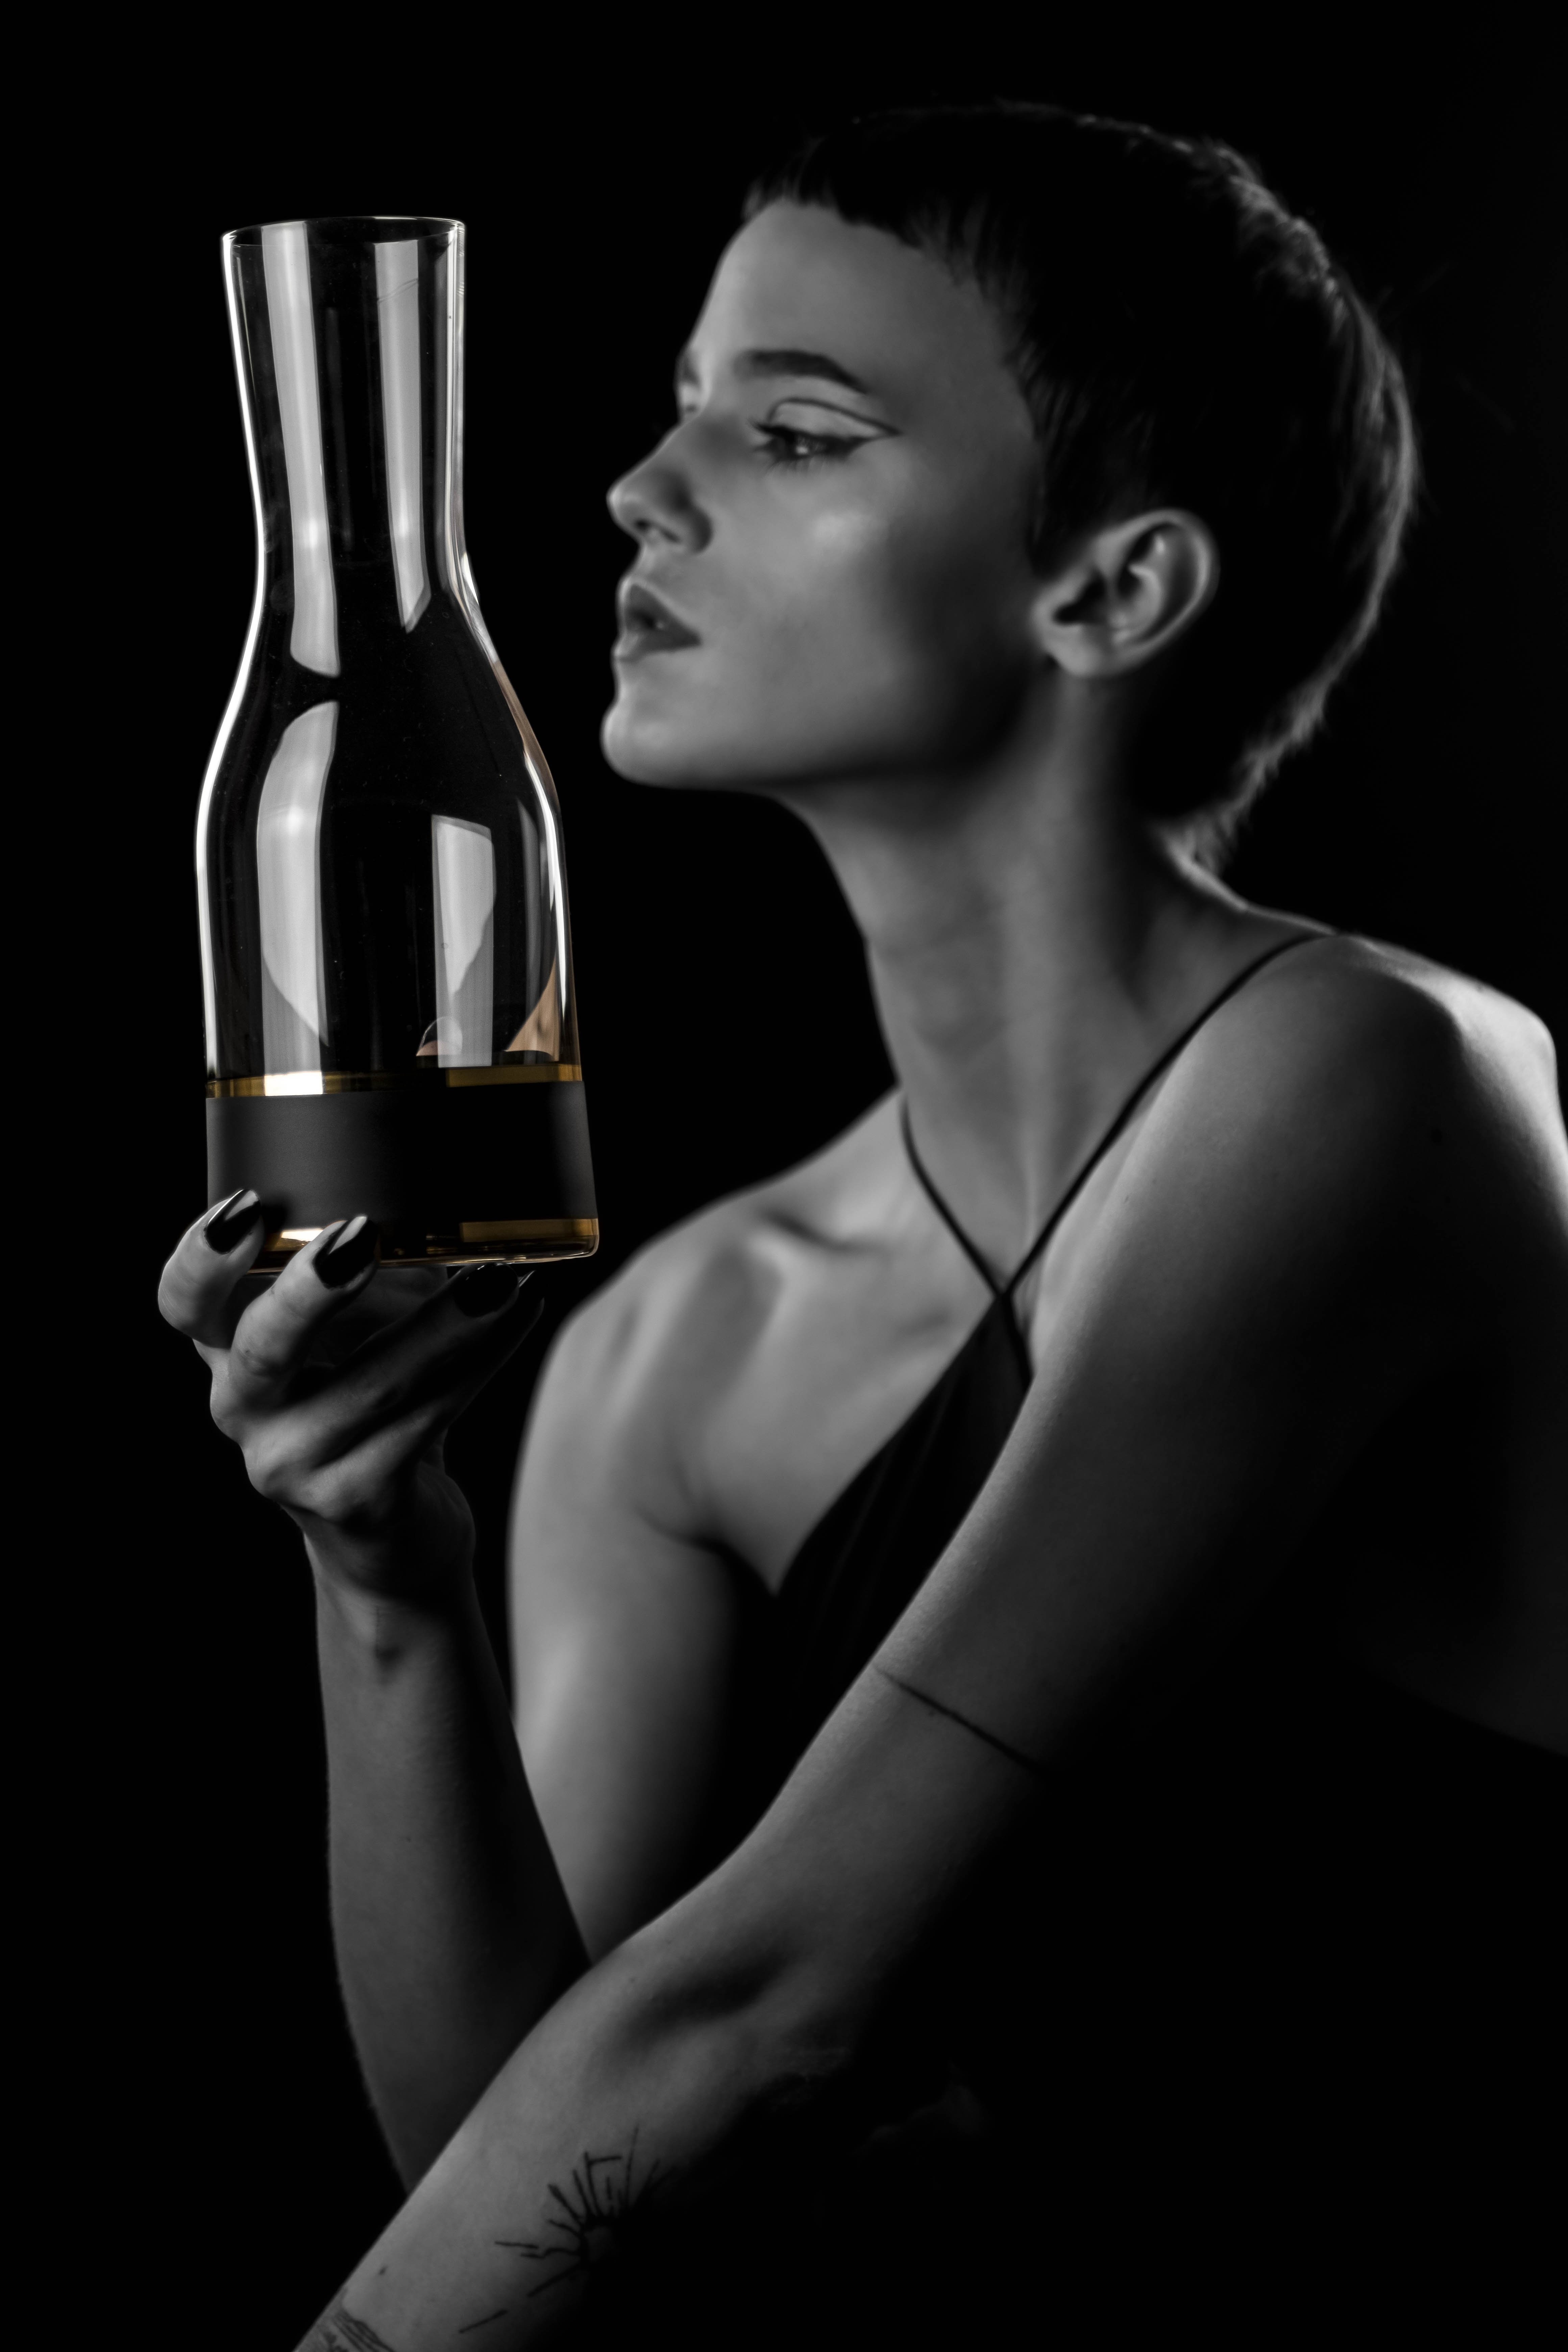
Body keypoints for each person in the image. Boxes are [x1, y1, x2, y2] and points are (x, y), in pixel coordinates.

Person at [160, 104, 1566, 2349]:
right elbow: (520, 2165)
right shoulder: (689, 1338)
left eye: (796, 431)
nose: (640, 488)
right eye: (679, 402)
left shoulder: (1368, 1084)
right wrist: (383, 1575)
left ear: (1110, 593)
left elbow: (766, 2015)